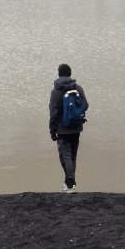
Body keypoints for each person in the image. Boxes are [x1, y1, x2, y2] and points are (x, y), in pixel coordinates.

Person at [48, 63, 87, 192]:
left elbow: (53, 113)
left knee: (64, 155)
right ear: (70, 74)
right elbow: (85, 105)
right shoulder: (78, 88)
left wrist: (52, 130)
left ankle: (70, 184)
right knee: (72, 156)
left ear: (59, 74)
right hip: (76, 127)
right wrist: (78, 117)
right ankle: (69, 183)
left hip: (62, 129)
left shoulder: (55, 91)